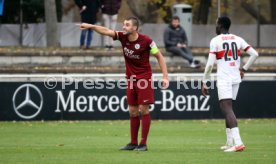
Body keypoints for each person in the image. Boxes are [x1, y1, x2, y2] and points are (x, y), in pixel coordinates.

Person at [77, 16, 169, 151]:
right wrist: (91, 26)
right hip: (131, 80)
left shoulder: (147, 41)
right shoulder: (122, 37)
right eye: (124, 25)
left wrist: (165, 77)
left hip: (144, 79)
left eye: (126, 25)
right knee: (132, 111)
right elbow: (106, 31)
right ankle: (133, 143)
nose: (123, 27)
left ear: (134, 28)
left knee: (143, 109)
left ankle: (143, 144)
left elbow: (159, 56)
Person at [202, 16, 258, 152]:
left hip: (224, 78)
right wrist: (244, 69)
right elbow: (254, 54)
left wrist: (205, 81)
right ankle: (229, 142)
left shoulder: (215, 40)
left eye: (216, 24)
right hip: (235, 78)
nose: (216, 27)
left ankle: (238, 143)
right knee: (229, 109)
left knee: (226, 108)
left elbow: (210, 64)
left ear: (220, 26)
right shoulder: (237, 39)